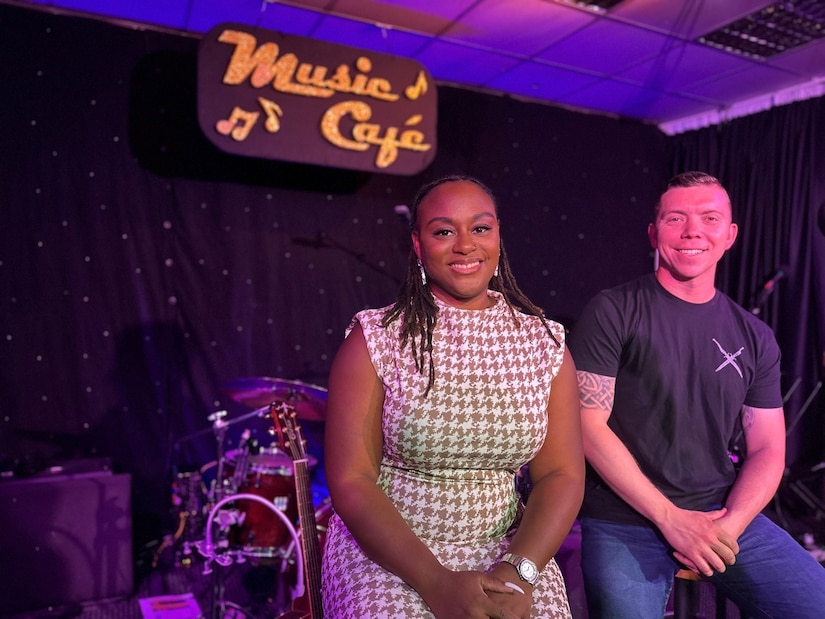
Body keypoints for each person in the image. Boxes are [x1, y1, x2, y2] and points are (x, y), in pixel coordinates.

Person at [321, 175, 584, 618]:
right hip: (389, 556)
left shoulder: (544, 342)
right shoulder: (377, 338)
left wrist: (519, 574)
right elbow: (351, 481)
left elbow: (561, 475)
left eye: (480, 228)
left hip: (509, 554)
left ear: (498, 235)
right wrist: (436, 582)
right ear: (418, 245)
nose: (465, 245)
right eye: (444, 231)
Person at [569, 171, 825, 618]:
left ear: (730, 235)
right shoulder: (613, 310)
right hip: (625, 518)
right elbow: (588, 427)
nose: (692, 232)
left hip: (720, 514)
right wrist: (671, 520)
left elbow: (767, 448)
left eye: (709, 218)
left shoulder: (756, 335)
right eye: (676, 219)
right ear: (653, 233)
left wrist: (727, 527)